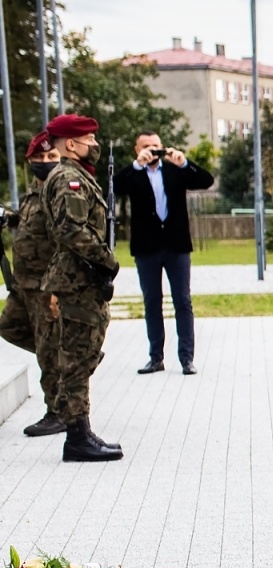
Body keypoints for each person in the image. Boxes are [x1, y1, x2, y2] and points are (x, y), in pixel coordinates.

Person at [39, 113, 123, 462]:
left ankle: (78, 427)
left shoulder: (76, 175)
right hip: (77, 280)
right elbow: (72, 230)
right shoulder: (68, 179)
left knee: (84, 352)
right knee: (76, 357)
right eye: (89, 140)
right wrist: (106, 260)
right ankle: (77, 435)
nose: (95, 145)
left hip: (83, 280)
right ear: (71, 144)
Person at [116, 131, 214, 376]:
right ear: (137, 149)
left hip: (176, 246)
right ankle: (156, 358)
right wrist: (136, 165)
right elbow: (115, 186)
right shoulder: (134, 174)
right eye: (146, 146)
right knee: (152, 302)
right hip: (146, 248)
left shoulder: (174, 171)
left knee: (182, 301)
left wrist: (184, 163)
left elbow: (206, 180)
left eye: (156, 145)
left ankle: (187, 359)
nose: (152, 150)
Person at [0, 133, 66, 437]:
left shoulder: (59, 192)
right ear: (30, 160)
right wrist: (9, 219)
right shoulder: (32, 194)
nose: (44, 162)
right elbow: (30, 225)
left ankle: (58, 411)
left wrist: (56, 287)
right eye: (39, 158)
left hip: (44, 285)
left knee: (48, 349)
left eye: (51, 157)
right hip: (23, 283)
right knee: (9, 326)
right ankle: (69, 354)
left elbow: (63, 240)